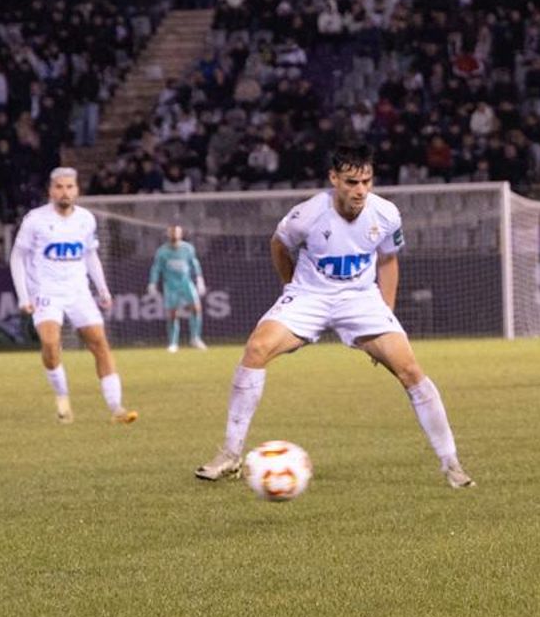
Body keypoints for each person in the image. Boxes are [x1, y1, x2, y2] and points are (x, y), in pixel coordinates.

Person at [194, 143, 474, 489]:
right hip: (310, 296)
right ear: (334, 179)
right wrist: (291, 288)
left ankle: (451, 465)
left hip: (361, 300)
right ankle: (231, 455)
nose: (360, 191)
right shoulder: (308, 215)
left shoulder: (386, 214)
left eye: (366, 182)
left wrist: (385, 315)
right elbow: (279, 245)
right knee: (255, 350)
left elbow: (388, 260)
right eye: (351, 182)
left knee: (410, 370)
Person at [10, 167, 136, 425]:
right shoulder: (35, 220)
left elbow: (90, 255)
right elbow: (17, 257)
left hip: (78, 291)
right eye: (59, 187)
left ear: (77, 190)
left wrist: (102, 289)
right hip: (45, 292)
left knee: (100, 344)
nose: (64, 192)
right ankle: (62, 398)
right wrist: (24, 295)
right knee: (50, 344)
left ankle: (116, 408)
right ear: (50, 190)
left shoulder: (85, 219)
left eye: (69, 187)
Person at [148, 225, 206, 352]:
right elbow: (156, 268)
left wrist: (199, 279)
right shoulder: (162, 251)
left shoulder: (188, 248)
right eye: (172, 232)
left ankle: (195, 338)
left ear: (181, 234)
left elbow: (194, 263)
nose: (174, 234)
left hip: (186, 282)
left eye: (177, 232)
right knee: (173, 313)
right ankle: (173, 343)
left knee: (196, 308)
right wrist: (152, 283)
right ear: (168, 234)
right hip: (170, 285)